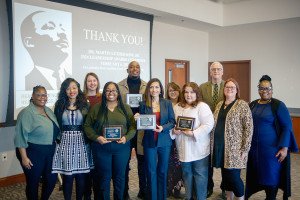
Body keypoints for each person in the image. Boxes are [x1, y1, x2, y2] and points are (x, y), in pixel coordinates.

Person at [246, 75, 298, 200]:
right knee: (256, 174)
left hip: (272, 150)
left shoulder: (278, 105)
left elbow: (287, 127)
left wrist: (284, 147)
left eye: (268, 88)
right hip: (254, 150)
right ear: (258, 89)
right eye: (262, 88)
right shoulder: (252, 104)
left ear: (272, 89)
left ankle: (271, 197)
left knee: (271, 175)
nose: (265, 91)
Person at [84, 81, 136, 200]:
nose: (111, 92)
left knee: (120, 178)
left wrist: (126, 138)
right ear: (104, 93)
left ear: (118, 93)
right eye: (108, 90)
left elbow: (133, 126)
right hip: (102, 148)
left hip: (121, 149)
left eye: (113, 90)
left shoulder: (125, 108)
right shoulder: (96, 108)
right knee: (104, 178)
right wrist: (97, 138)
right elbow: (87, 126)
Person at [14, 85, 60, 200]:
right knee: (33, 182)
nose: (41, 97)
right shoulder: (26, 113)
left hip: (50, 151)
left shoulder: (48, 110)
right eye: (38, 95)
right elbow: (20, 136)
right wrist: (24, 157)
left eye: (44, 94)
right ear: (32, 96)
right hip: (32, 152)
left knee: (51, 180)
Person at [211, 78, 253, 200]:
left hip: (235, 149)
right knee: (226, 178)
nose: (229, 89)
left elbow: (249, 128)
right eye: (227, 87)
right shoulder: (220, 104)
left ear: (236, 90)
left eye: (232, 87)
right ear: (224, 90)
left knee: (234, 178)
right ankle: (229, 198)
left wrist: (245, 149)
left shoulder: (242, 105)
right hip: (220, 147)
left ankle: (240, 198)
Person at [171, 82, 214, 200]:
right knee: (187, 176)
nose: (188, 95)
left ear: (197, 93)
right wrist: (174, 131)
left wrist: (194, 133)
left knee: (200, 176)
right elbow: (172, 124)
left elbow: (209, 124)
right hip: (183, 148)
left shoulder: (202, 106)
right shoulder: (177, 107)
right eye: (186, 92)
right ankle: (188, 197)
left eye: (192, 92)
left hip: (199, 149)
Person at [135, 78, 176, 200]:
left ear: (160, 89)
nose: (154, 89)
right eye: (151, 87)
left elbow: (172, 121)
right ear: (148, 89)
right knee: (151, 171)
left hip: (164, 141)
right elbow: (142, 124)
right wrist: (138, 118)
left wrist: (162, 127)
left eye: (157, 87)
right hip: (149, 141)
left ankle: (161, 197)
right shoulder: (143, 104)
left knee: (163, 171)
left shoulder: (167, 103)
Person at [52, 78, 91, 200]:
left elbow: (89, 124)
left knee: (80, 176)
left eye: (74, 87)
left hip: (82, 142)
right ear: (64, 91)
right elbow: (56, 124)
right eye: (68, 88)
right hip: (65, 143)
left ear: (78, 89)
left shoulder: (86, 104)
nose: (71, 91)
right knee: (67, 176)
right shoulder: (59, 105)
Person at [118, 61, 147, 199]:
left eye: (137, 67)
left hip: (142, 129)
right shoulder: (119, 86)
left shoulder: (146, 86)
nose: (135, 69)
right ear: (127, 69)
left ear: (140, 70)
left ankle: (143, 190)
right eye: (132, 67)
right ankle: (124, 192)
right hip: (126, 128)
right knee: (124, 161)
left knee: (142, 161)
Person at [20, 10, 70, 90]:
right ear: (30, 42)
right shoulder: (25, 81)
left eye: (61, 27)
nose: (62, 32)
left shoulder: (72, 79)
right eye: (50, 27)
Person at [199, 61, 225, 198]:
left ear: (222, 71)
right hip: (206, 129)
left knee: (224, 159)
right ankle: (209, 187)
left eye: (218, 69)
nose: (216, 71)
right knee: (207, 159)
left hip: (223, 129)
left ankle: (225, 187)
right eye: (213, 69)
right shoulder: (203, 87)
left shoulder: (228, 86)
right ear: (210, 72)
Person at [83, 72, 102, 200]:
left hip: (99, 137)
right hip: (85, 137)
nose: (92, 83)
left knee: (97, 168)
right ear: (86, 83)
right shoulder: (81, 98)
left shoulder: (102, 97)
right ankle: (87, 194)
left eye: (94, 80)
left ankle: (98, 194)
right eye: (89, 81)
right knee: (86, 168)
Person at [165, 82, 184, 198]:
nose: (173, 92)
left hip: (181, 139)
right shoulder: (165, 104)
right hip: (167, 139)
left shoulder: (183, 105)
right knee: (168, 164)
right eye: (170, 90)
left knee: (178, 164)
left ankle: (177, 187)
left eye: (175, 90)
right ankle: (168, 187)